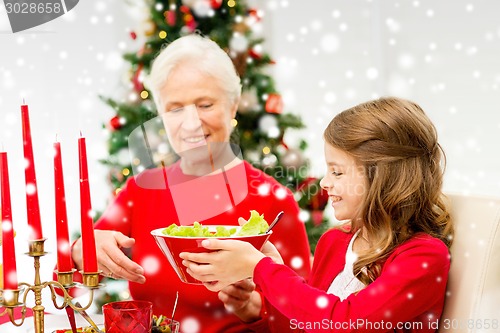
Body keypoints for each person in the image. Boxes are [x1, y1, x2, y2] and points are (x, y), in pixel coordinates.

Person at [70, 34, 311, 333]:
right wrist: (81, 251)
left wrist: (255, 310)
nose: (192, 123)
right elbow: (66, 283)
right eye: (175, 108)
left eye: (206, 104)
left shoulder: (274, 199)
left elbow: (306, 319)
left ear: (233, 106)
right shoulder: (140, 191)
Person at [180, 97, 454, 332]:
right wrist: (255, 307)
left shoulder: (424, 258)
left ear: (383, 177)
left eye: (337, 171)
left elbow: (344, 322)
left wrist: (262, 268)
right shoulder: (334, 242)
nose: (324, 183)